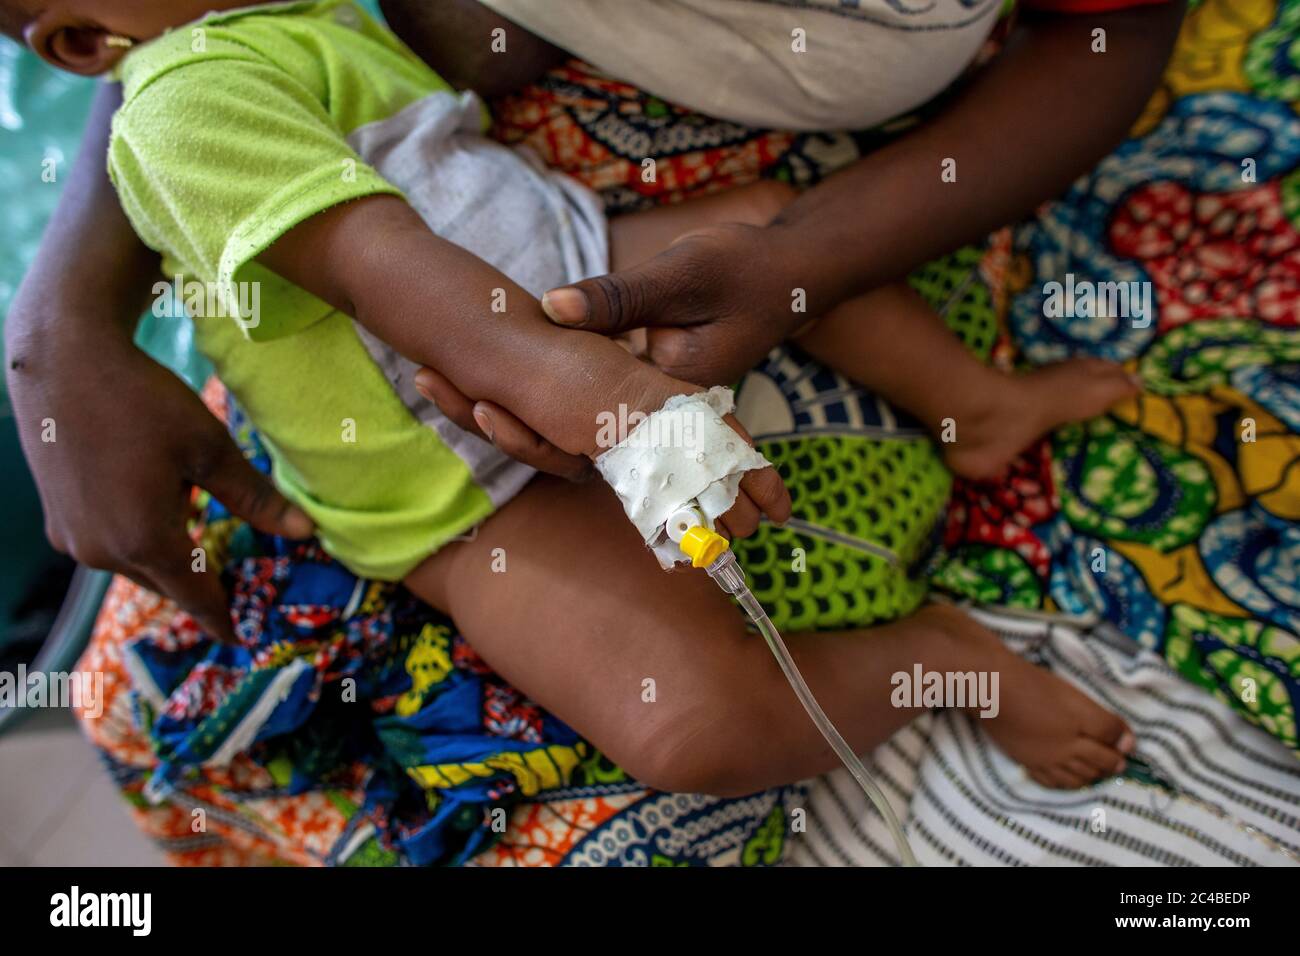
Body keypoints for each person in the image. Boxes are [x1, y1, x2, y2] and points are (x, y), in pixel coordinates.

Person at [4, 0, 1185, 792]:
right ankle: (941, 661)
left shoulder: (305, 26)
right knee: (695, 729)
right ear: (83, 40)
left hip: (574, 261)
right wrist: (582, 388)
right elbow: (368, 259)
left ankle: (976, 407)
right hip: (459, 502)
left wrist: (587, 352)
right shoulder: (171, 103)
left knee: (775, 240)